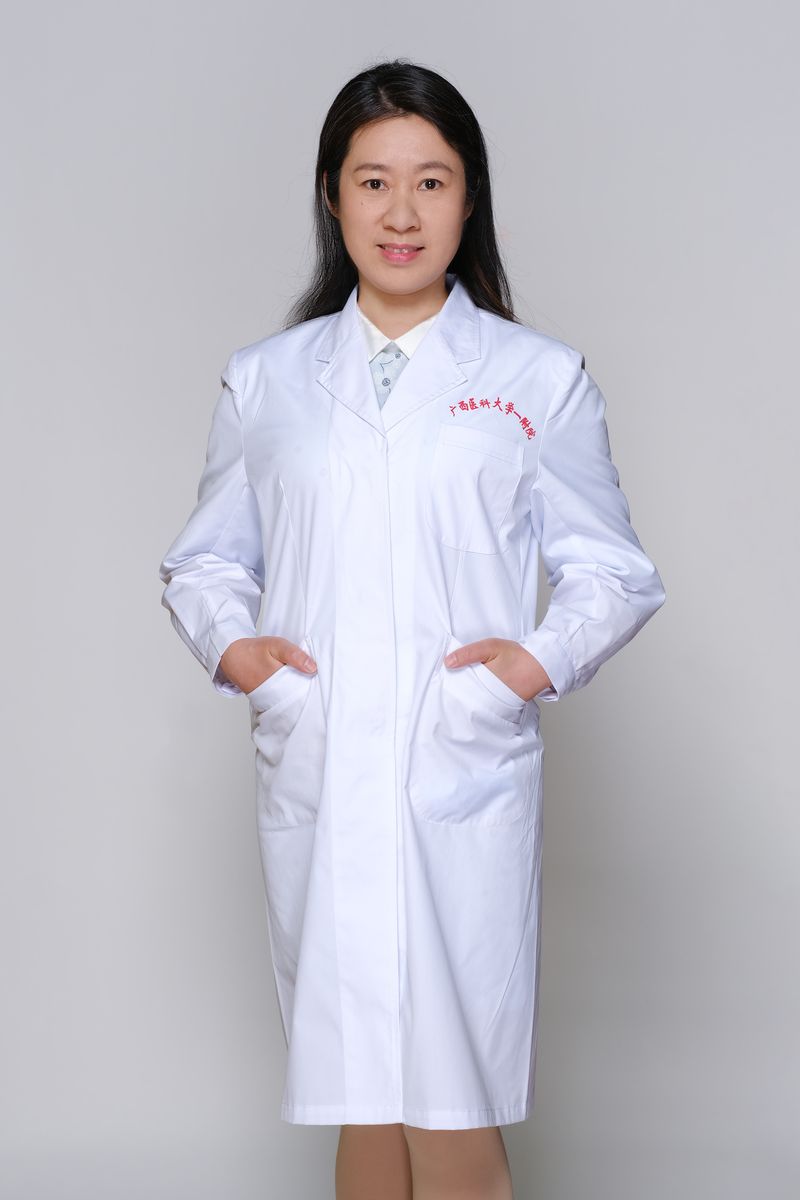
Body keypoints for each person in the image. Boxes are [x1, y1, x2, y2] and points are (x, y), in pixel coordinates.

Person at [158, 58, 666, 1200]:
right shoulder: (267, 383)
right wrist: (239, 653)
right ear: (331, 196)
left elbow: (611, 572)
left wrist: (526, 666)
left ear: (468, 198)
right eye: (372, 181)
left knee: (449, 1096)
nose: (400, 213)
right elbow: (206, 559)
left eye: (430, 182)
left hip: (458, 769)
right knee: (362, 1089)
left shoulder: (537, 379)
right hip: (324, 761)